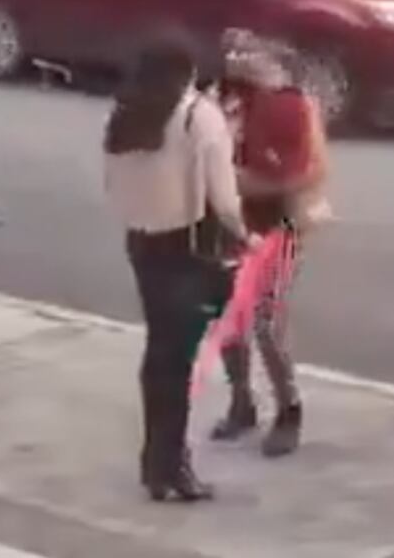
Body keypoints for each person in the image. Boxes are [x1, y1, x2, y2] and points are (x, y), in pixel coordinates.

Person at [104, 37, 251, 503]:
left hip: (144, 244)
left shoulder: (125, 115)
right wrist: (245, 235)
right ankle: (171, 464)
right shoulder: (197, 115)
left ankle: (158, 461)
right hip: (190, 248)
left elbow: (112, 185)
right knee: (180, 357)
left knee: (161, 354)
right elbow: (224, 199)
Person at [210, 31, 327, 458]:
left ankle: (288, 409)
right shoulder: (223, 97)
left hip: (277, 226)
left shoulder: (291, 107)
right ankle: (241, 402)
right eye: (231, 51)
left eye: (246, 50)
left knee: (265, 323)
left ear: (273, 59)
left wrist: (228, 179)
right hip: (228, 225)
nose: (235, 58)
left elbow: (293, 178)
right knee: (226, 319)